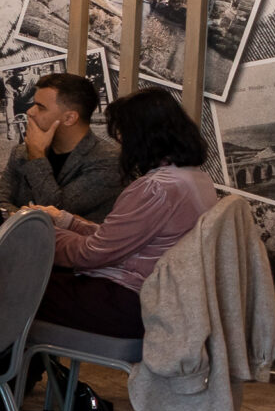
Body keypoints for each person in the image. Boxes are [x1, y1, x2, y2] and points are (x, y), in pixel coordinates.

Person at [29, 88, 216, 345]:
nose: (121, 145)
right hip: (158, 299)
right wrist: (66, 221)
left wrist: (43, 235)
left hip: (131, 303)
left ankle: (3, 368)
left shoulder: (155, 188)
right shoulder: (196, 179)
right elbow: (118, 240)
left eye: (124, 136)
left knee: (14, 286)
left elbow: (91, 254)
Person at [0, 72, 123, 223]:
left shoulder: (109, 161)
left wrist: (37, 156)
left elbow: (59, 215)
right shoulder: (21, 153)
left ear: (69, 118)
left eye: (40, 107)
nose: (30, 112)